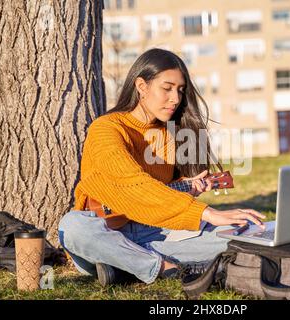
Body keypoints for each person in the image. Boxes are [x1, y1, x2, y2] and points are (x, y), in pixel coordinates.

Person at [58, 48, 265, 286]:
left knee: (247, 233)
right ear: (142, 86)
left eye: (180, 90)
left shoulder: (174, 134)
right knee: (72, 226)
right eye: (167, 88)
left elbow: (162, 195)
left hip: (156, 231)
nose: (175, 99)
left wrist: (187, 189)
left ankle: (126, 265)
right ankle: (161, 265)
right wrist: (206, 213)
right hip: (106, 231)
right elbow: (131, 184)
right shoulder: (107, 128)